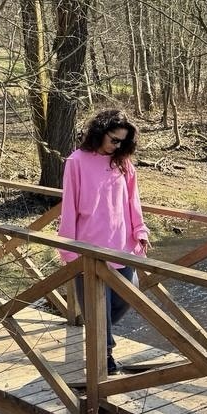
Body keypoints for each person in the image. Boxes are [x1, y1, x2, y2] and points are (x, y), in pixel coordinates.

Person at [57, 109, 150, 375]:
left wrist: (140, 232)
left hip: (122, 246)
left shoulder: (123, 163)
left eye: (122, 141)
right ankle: (104, 355)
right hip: (89, 250)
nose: (117, 145)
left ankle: (100, 335)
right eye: (114, 139)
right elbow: (70, 208)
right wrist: (68, 249)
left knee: (128, 295)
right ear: (99, 133)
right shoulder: (76, 162)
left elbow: (133, 201)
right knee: (97, 306)